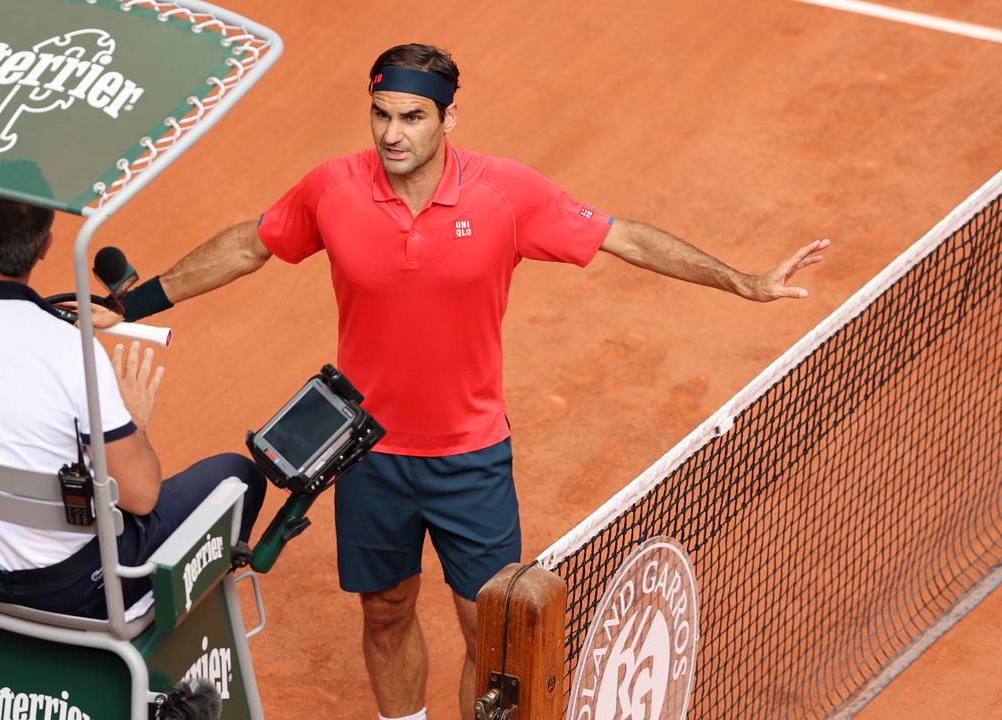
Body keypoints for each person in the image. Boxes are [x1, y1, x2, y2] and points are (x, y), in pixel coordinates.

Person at [93, 44, 829, 719]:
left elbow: (623, 234)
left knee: (491, 629)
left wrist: (745, 283)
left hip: (470, 457)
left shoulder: (505, 194)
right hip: (369, 456)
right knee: (384, 610)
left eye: (412, 117)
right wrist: (133, 302)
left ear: (448, 119)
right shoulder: (333, 189)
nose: (391, 134)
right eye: (381, 114)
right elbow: (249, 246)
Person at [0, 190, 266, 621]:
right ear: (45, 246)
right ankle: (174, 639)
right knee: (239, 476)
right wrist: (133, 420)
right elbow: (141, 496)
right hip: (74, 590)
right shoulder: (71, 349)